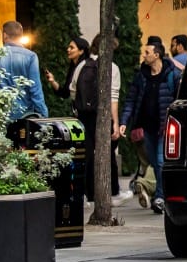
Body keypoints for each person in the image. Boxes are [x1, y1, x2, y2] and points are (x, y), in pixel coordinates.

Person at [68, 37, 120, 205]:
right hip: (103, 116)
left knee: (87, 154)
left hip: (84, 116)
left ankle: (87, 193)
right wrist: (115, 123)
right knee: (106, 153)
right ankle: (110, 192)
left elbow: (72, 90)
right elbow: (113, 97)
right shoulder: (112, 68)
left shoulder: (82, 66)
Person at [124, 39, 170, 214]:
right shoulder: (141, 76)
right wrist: (124, 122)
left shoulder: (170, 74)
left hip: (163, 128)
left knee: (159, 161)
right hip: (147, 128)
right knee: (153, 162)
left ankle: (160, 196)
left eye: (147, 52)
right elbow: (131, 100)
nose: (144, 55)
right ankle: (158, 193)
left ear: (156, 55)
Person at [0, 22, 50, 126]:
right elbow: (35, 90)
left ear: (4, 35)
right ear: (21, 36)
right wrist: (43, 116)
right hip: (23, 116)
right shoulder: (31, 56)